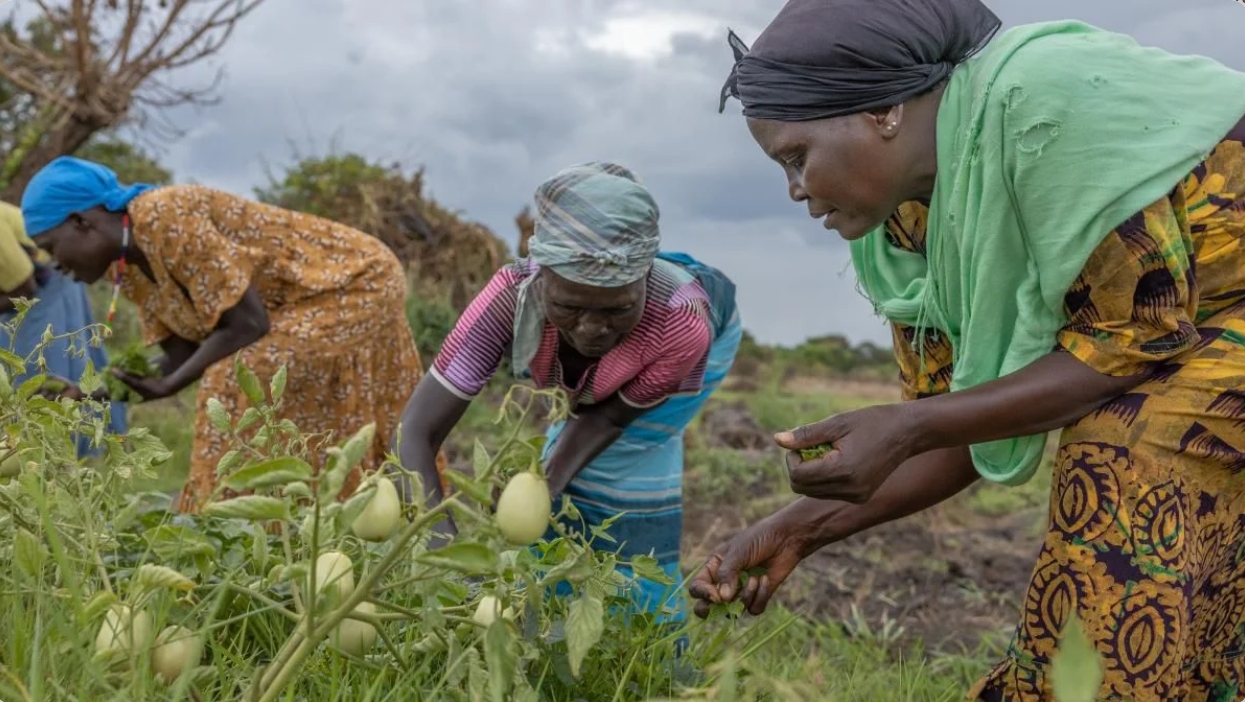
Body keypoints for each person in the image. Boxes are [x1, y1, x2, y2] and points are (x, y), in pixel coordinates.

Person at [694, 0, 1245, 699]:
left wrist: (913, 426)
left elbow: (1130, 342)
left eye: (796, 157)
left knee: (1135, 441)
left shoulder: (1044, 103)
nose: (795, 190)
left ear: (882, 111)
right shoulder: (905, 228)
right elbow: (951, 425)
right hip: (1204, 324)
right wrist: (797, 529)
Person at [398, 161, 742, 623]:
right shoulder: (506, 299)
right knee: (562, 480)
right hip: (626, 339)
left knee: (622, 469)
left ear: (643, 280)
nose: (593, 329)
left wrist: (546, 481)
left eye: (618, 308)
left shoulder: (681, 323)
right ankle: (544, 614)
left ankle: (648, 638)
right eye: (568, 306)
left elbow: (610, 418)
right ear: (540, 279)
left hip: (690, 343)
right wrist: (446, 556)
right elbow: (414, 432)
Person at [21, 156, 445, 512]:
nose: (53, 264)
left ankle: (220, 517)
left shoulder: (164, 215)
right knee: (268, 394)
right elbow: (179, 353)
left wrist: (172, 384)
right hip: (294, 309)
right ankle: (303, 522)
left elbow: (247, 324)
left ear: (81, 223)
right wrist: (90, 393)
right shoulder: (130, 272)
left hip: (353, 283)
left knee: (235, 375)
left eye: (52, 247)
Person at [0, 199, 127, 454]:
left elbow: (23, 287)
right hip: (26, 288)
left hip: (45, 286)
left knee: (40, 374)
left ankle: (67, 456)